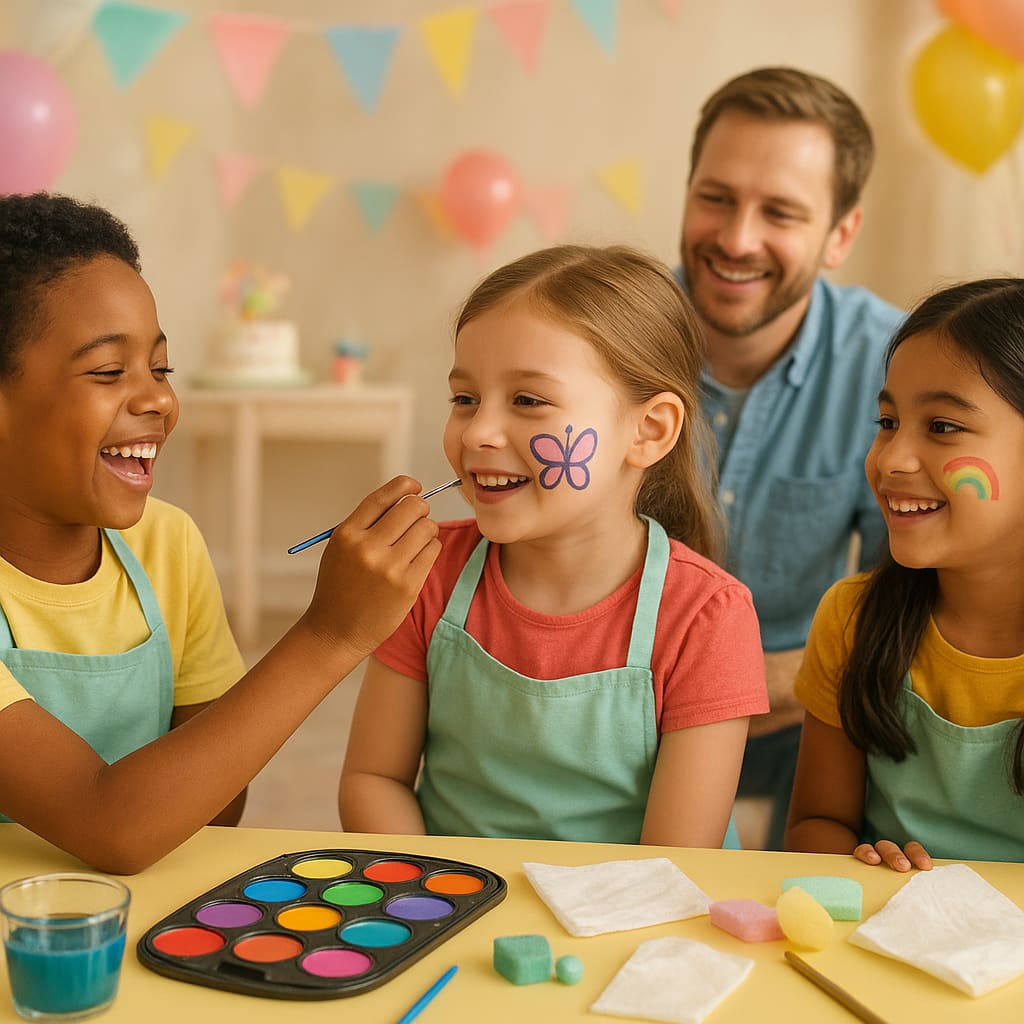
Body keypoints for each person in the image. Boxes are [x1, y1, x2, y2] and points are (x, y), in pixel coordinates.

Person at [0, 192, 440, 873]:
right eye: (110, 371)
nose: (159, 398)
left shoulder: (167, 544)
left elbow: (220, 805)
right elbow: (110, 825)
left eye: (161, 368)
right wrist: (330, 635)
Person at [339, 244, 768, 847]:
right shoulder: (423, 574)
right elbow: (373, 779)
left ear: (649, 431)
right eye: (465, 399)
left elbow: (675, 861)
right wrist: (433, 889)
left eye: (528, 401)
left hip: (631, 902)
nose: (479, 433)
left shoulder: (708, 617)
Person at [677, 67, 904, 849]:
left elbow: (916, 597)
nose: (737, 239)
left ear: (840, 234)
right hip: (630, 711)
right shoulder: (605, 343)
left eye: (779, 212)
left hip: (812, 710)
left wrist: (775, 681)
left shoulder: (899, 367)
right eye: (716, 197)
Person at [786, 278, 1024, 869]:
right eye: (888, 421)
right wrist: (867, 865)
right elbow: (816, 825)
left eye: (942, 427)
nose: (891, 459)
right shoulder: (852, 618)